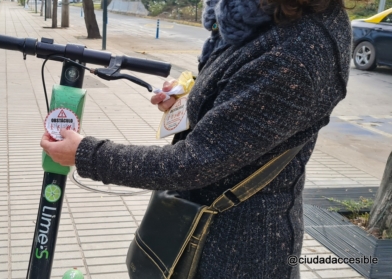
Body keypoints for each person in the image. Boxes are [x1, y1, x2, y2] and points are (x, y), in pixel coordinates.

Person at [40, 0, 351, 277]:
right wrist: (190, 102)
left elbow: (194, 163)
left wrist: (87, 154)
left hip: (239, 252)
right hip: (202, 230)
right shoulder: (253, 13)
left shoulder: (300, 51)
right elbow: (240, 103)